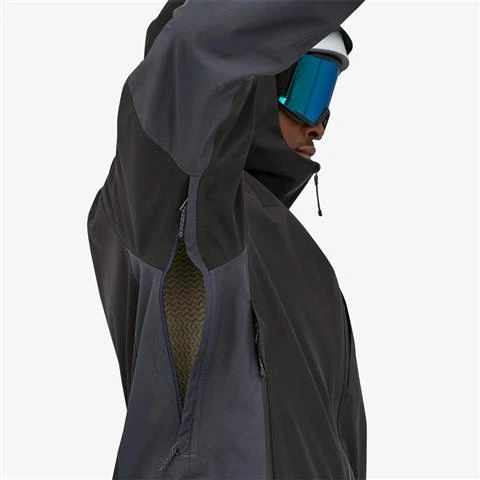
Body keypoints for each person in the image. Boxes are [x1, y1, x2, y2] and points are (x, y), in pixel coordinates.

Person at [87, 1, 367, 479]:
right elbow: (199, 48)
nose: (318, 124)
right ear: (254, 79)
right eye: (308, 87)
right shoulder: (174, 194)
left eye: (326, 94)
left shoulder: (306, 264)